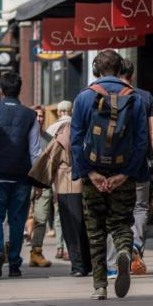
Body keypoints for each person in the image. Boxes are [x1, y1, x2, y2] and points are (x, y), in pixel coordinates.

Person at [71, 49, 149, 300]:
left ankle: (100, 286)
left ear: (96, 69)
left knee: (95, 230)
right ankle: (125, 251)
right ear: (121, 69)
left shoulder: (84, 97)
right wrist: (126, 175)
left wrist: (89, 173)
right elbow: (141, 142)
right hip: (122, 170)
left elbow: (75, 140)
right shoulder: (136, 99)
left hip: (93, 173)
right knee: (121, 223)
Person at [0, 72, 42, 279]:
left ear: (1, 91)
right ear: (19, 90)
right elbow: (35, 151)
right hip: (20, 176)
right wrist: (38, 179)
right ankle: (14, 264)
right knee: (18, 219)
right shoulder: (30, 116)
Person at [111, 58, 153, 277]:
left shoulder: (107, 95)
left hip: (113, 164)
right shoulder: (145, 97)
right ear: (132, 75)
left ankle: (117, 256)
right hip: (140, 162)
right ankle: (134, 247)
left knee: (116, 209)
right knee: (140, 207)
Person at [48, 100, 92, 277]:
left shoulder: (62, 130)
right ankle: (89, 263)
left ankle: (78, 265)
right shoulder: (88, 127)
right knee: (86, 226)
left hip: (66, 184)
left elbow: (50, 157)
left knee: (70, 227)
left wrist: (43, 183)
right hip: (88, 182)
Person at [46, 100, 74, 261]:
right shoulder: (77, 126)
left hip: (57, 179)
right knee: (74, 216)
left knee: (59, 214)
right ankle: (71, 248)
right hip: (76, 179)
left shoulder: (51, 129)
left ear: (59, 112)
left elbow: (48, 157)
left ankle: (59, 247)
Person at [28, 105, 53, 268]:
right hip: (24, 183)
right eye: (36, 116)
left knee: (41, 219)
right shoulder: (23, 137)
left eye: (41, 116)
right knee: (16, 218)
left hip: (43, 184)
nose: (39, 119)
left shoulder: (49, 139)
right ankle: (9, 252)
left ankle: (36, 253)